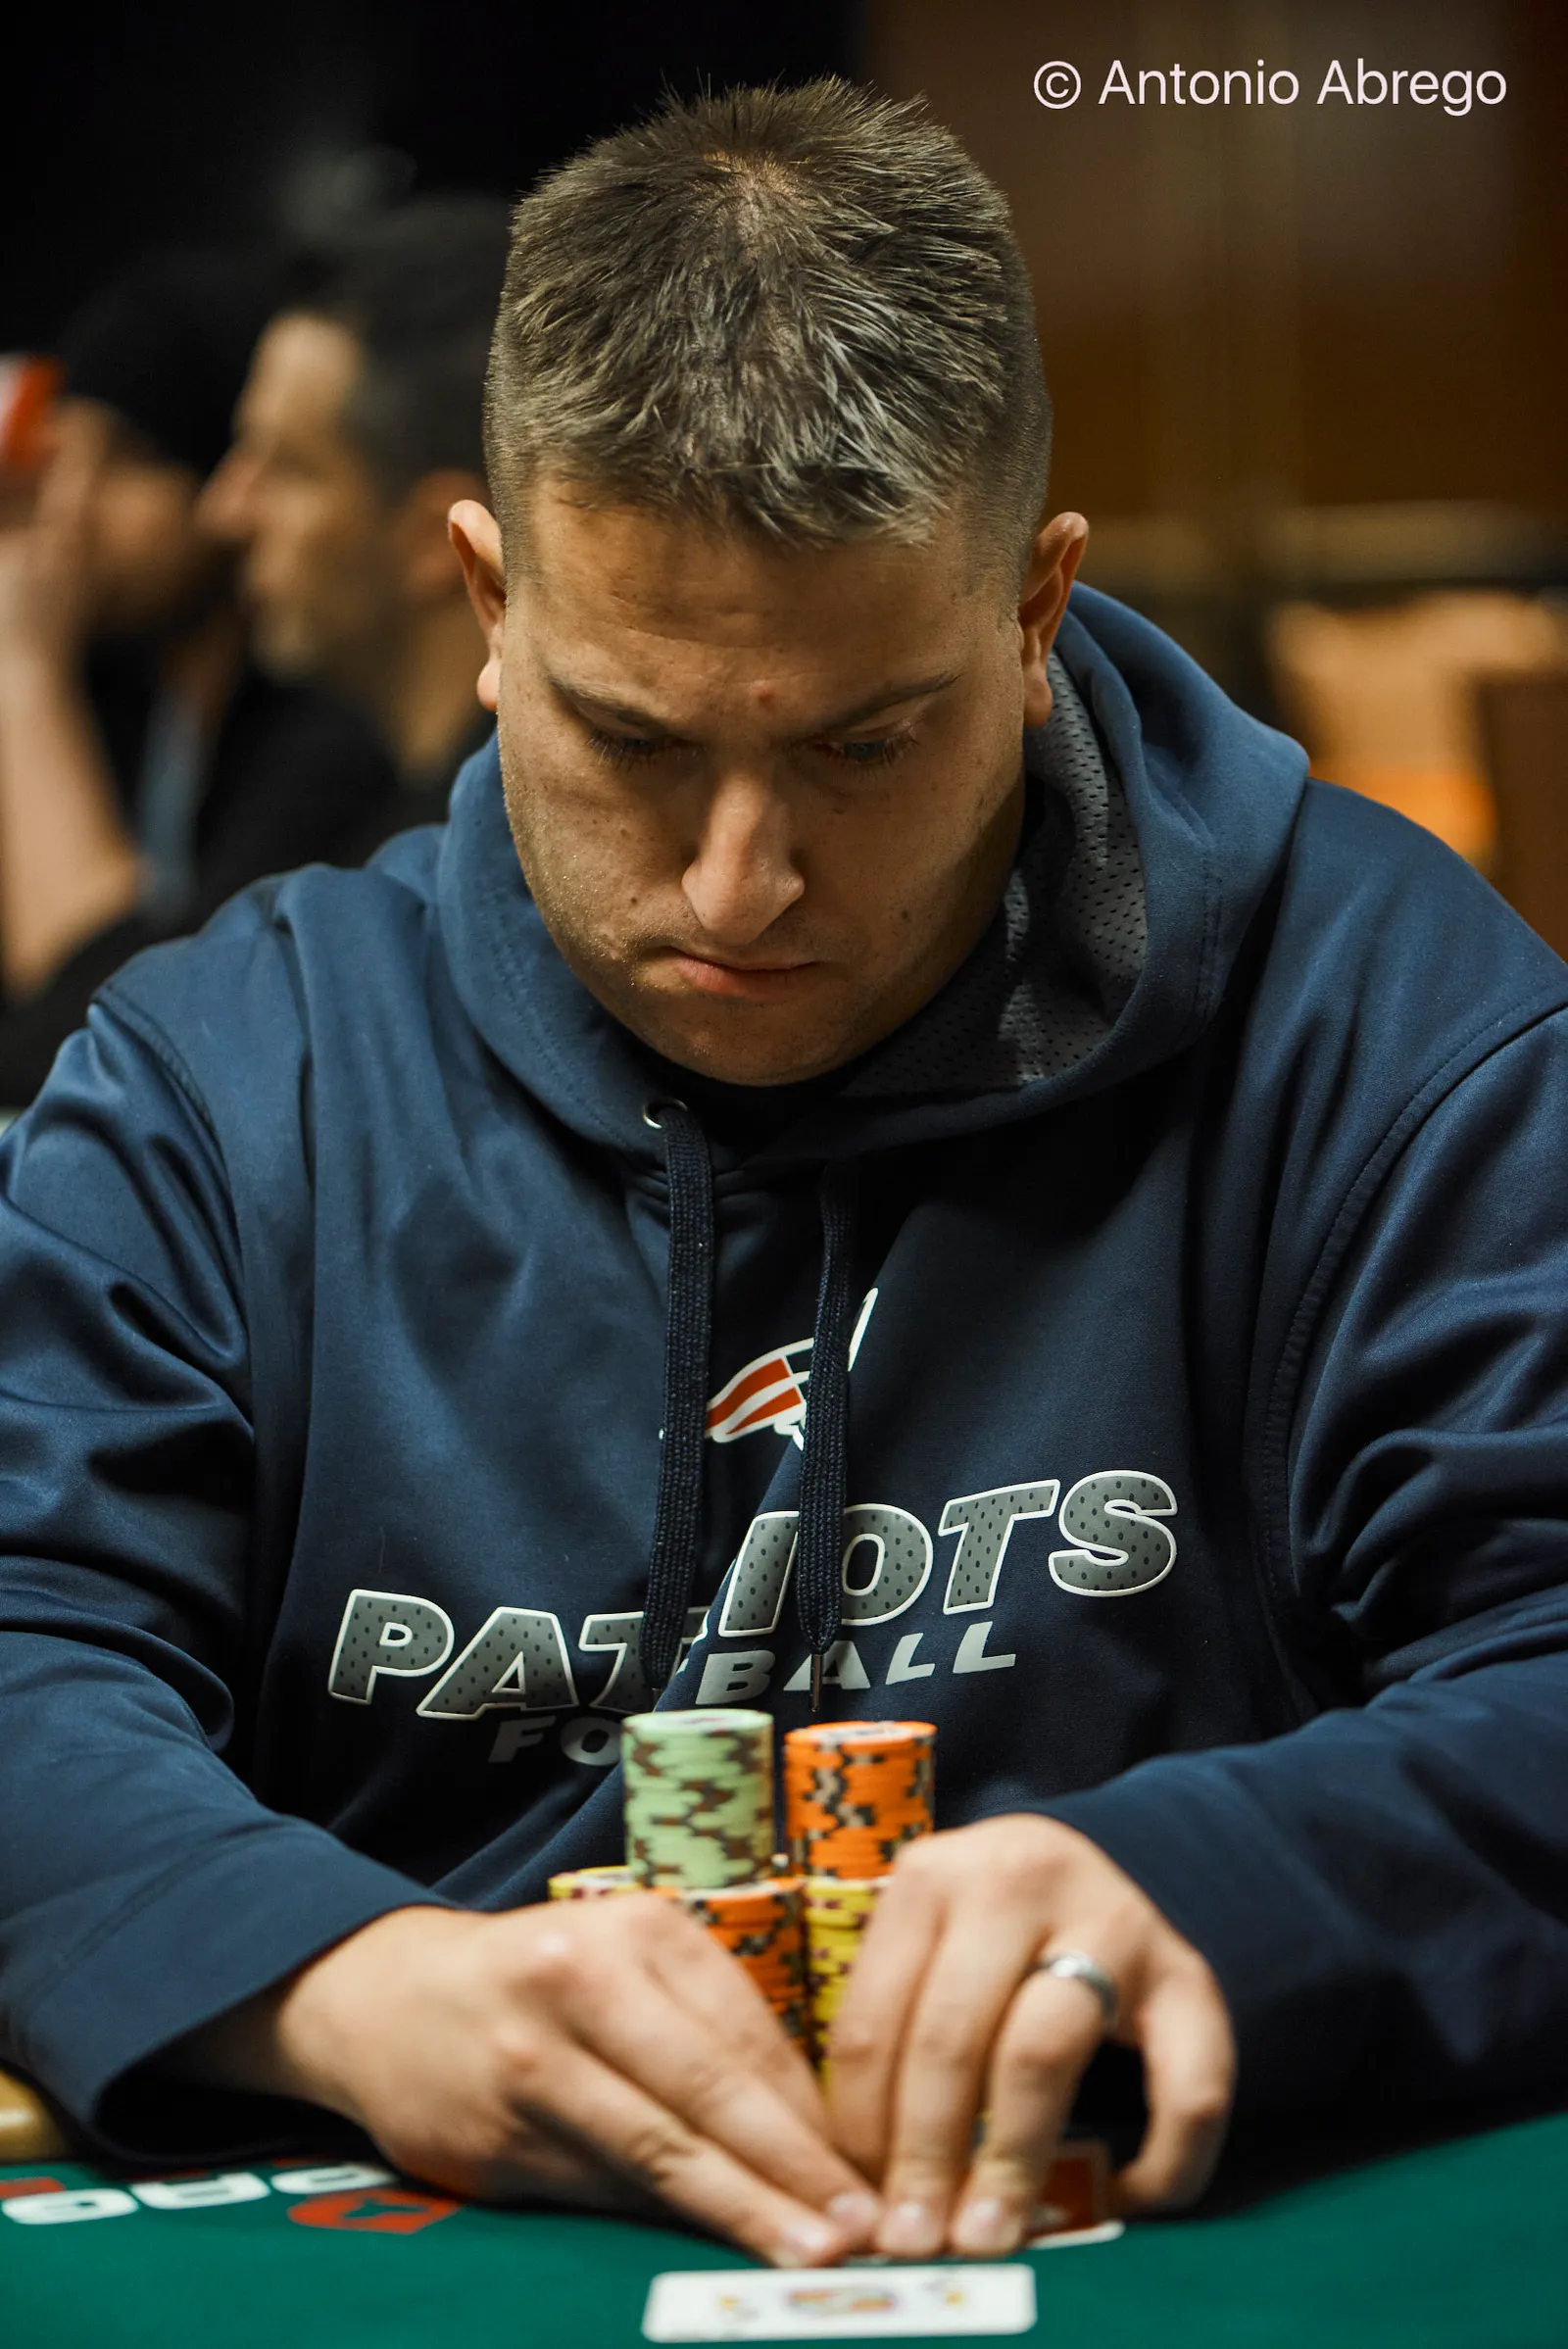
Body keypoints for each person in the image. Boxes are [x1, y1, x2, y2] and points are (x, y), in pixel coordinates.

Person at [2, 78, 1568, 2274]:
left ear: (1034, 611)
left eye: (863, 741)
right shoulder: (219, 1084)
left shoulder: (1390, 1022)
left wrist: (1219, 1879)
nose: (739, 884)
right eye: (633, 739)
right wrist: (341, 1984)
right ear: (487, 598)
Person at [0, 252, 396, 1104]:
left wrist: (24, 674)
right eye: (63, 454)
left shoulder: (331, 731)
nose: (67, 511)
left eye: (128, 460)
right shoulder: (124, 683)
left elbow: (108, 1020)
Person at [199, 198, 508, 855]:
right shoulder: (376, 797)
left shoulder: (481, 870)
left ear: (440, 538)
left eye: (287, 468)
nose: (224, 512)